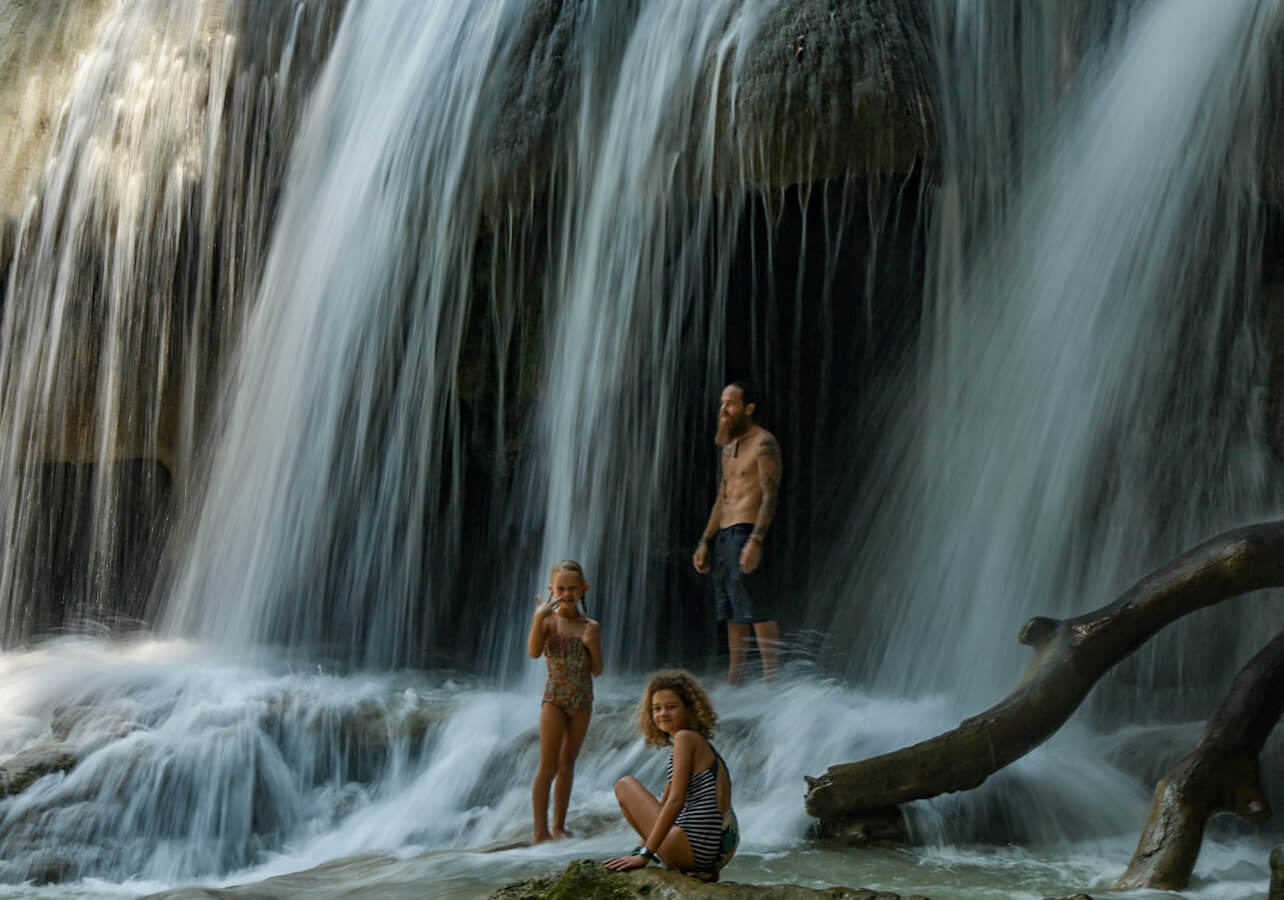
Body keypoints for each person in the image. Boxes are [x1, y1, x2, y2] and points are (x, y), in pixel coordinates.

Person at [603, 669, 738, 880]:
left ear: (690, 709)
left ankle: (674, 860)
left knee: (625, 785)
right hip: (717, 852)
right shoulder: (697, 744)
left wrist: (644, 855)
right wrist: (641, 848)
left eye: (671, 707)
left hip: (695, 848)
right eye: (656, 708)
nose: (662, 714)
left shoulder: (685, 739)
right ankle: (688, 867)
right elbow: (665, 803)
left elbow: (675, 802)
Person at [692, 381, 782, 682]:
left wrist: (755, 540)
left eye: (730, 403)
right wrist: (705, 540)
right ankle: (736, 677)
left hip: (746, 530)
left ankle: (772, 680)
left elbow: (770, 494)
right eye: (722, 403)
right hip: (724, 535)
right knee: (731, 608)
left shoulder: (763, 442)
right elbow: (722, 496)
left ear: (748, 408)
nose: (724, 409)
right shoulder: (728, 447)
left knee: (757, 607)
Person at [527, 559, 603, 843]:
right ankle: (540, 831)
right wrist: (537, 618)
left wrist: (591, 643)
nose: (566, 594)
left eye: (572, 589)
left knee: (567, 764)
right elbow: (534, 652)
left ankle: (559, 826)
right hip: (554, 699)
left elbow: (597, 670)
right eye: (560, 588)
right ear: (551, 589)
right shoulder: (547, 621)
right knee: (548, 766)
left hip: (582, 699)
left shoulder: (590, 626)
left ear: (583, 589)